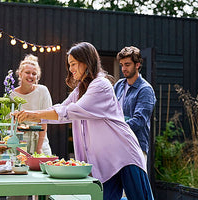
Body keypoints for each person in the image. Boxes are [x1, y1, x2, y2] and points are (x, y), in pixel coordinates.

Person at [13, 42, 154, 200]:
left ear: (86, 62)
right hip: (105, 161)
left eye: (73, 64)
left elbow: (69, 112)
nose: (71, 69)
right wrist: (32, 115)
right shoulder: (81, 88)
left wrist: (33, 115)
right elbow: (62, 107)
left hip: (124, 154)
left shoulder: (101, 85)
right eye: (69, 65)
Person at [114, 46, 156, 161]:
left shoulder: (145, 89)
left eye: (127, 65)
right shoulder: (118, 85)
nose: (123, 69)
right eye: (122, 65)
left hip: (136, 146)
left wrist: (115, 128)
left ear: (137, 65)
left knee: (135, 179)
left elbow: (139, 120)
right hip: (117, 146)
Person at [10, 54, 52, 155]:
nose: (31, 76)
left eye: (34, 74)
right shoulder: (11, 94)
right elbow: (9, 123)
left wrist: (39, 148)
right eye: (27, 72)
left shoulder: (43, 91)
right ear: (20, 74)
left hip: (39, 141)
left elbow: (45, 120)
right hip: (19, 142)